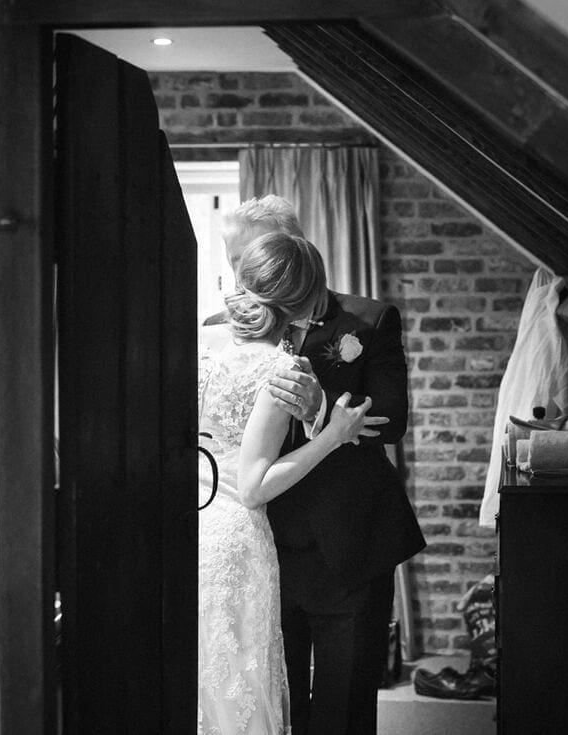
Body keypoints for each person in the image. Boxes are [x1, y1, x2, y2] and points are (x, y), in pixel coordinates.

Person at [221, 196, 427, 735]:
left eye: (247, 258)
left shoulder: (368, 319)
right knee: (273, 699)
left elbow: (392, 420)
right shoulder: (223, 332)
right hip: (261, 543)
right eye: (232, 262)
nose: (239, 278)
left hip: (351, 540)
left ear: (289, 249)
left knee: (344, 702)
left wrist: (319, 406)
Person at [197, 231, 385, 734]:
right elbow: (254, 485)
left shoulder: (201, 346)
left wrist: (320, 409)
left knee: (218, 675)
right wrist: (332, 434)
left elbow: (393, 417)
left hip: (212, 528)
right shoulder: (273, 364)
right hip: (246, 530)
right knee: (243, 676)